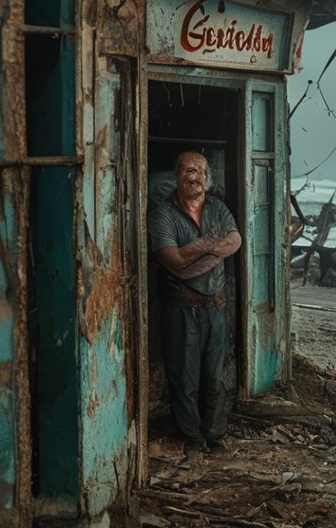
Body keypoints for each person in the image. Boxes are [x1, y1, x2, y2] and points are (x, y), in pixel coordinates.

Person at [147, 151, 242, 454]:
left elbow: (235, 241)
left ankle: (214, 435)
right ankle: (192, 437)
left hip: (215, 307)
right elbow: (171, 259)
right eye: (188, 170)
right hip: (180, 308)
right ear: (177, 175)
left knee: (215, 376)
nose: (194, 176)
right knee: (184, 377)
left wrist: (194, 257)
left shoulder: (218, 207)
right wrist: (210, 245)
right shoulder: (163, 212)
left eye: (200, 171)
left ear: (207, 177)